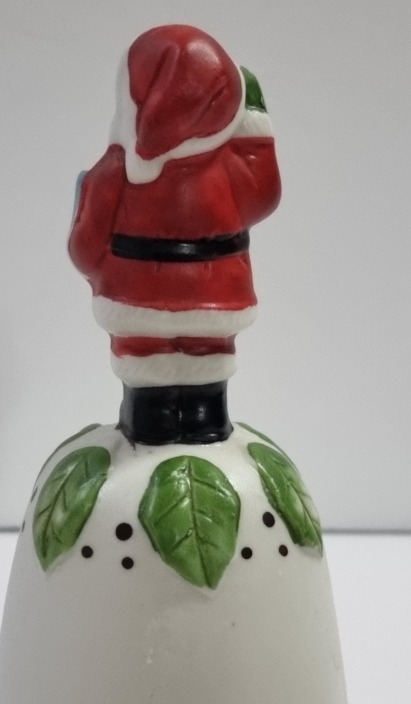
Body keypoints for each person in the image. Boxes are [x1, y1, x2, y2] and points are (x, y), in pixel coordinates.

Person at [68, 24, 281, 443]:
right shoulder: (229, 167)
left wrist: (98, 270)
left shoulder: (115, 172)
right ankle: (205, 418)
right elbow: (265, 194)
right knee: (208, 355)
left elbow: (84, 246)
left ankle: (150, 422)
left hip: (134, 297)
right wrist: (255, 122)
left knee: (144, 358)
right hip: (218, 295)